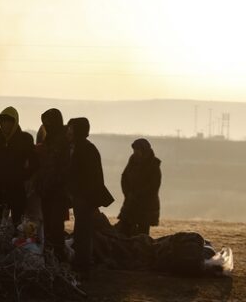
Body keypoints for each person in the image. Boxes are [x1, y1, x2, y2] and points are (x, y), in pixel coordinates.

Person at [65, 118, 114, 279]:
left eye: (71, 129)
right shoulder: (81, 148)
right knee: (81, 229)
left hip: (84, 196)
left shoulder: (85, 149)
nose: (68, 132)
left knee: (83, 230)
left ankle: (83, 264)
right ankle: (83, 262)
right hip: (82, 196)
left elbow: (89, 177)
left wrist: (79, 193)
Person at [0, 106, 36, 238]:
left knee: (17, 221)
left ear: (14, 122)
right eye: (2, 121)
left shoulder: (25, 140)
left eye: (8, 121)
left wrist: (23, 176)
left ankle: (16, 247)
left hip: (16, 187)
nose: (5, 124)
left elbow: (34, 162)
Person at [33, 109, 70, 261]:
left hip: (58, 191)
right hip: (47, 190)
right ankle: (50, 257)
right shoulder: (51, 140)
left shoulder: (63, 142)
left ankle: (58, 257)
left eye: (48, 123)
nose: (46, 126)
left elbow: (60, 169)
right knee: (49, 225)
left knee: (56, 227)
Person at [117, 138, 162, 236]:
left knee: (143, 232)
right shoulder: (132, 161)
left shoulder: (153, 164)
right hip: (131, 202)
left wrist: (138, 194)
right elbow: (124, 178)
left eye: (138, 150)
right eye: (134, 150)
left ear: (144, 150)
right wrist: (128, 193)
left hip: (146, 205)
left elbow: (154, 186)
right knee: (125, 228)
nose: (136, 152)